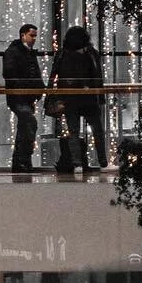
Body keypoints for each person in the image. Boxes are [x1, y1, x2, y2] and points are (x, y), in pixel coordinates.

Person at [47, 25, 106, 174]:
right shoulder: (91, 53)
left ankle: (77, 163)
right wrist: (99, 97)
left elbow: (54, 76)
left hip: (70, 98)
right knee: (97, 130)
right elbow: (97, 76)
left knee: (74, 131)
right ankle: (102, 162)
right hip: (88, 98)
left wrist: (53, 97)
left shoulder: (63, 54)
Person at [2, 23, 45, 173]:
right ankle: (22, 160)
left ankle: (21, 161)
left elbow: (36, 73)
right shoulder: (13, 52)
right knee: (29, 123)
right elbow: (8, 73)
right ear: (23, 35)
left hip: (27, 97)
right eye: (31, 35)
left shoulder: (28, 53)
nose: (34, 39)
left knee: (25, 127)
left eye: (35, 36)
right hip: (18, 97)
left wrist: (39, 89)